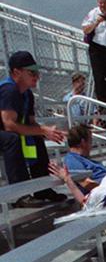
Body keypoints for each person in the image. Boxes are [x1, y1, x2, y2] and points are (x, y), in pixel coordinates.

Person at [0, 50, 65, 199]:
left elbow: (31, 123)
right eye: (32, 72)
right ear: (17, 72)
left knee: (37, 136)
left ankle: (43, 190)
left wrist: (47, 131)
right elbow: (9, 125)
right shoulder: (8, 90)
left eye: (37, 72)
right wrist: (42, 129)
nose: (37, 76)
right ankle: (19, 195)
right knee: (12, 139)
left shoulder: (27, 94)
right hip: (6, 133)